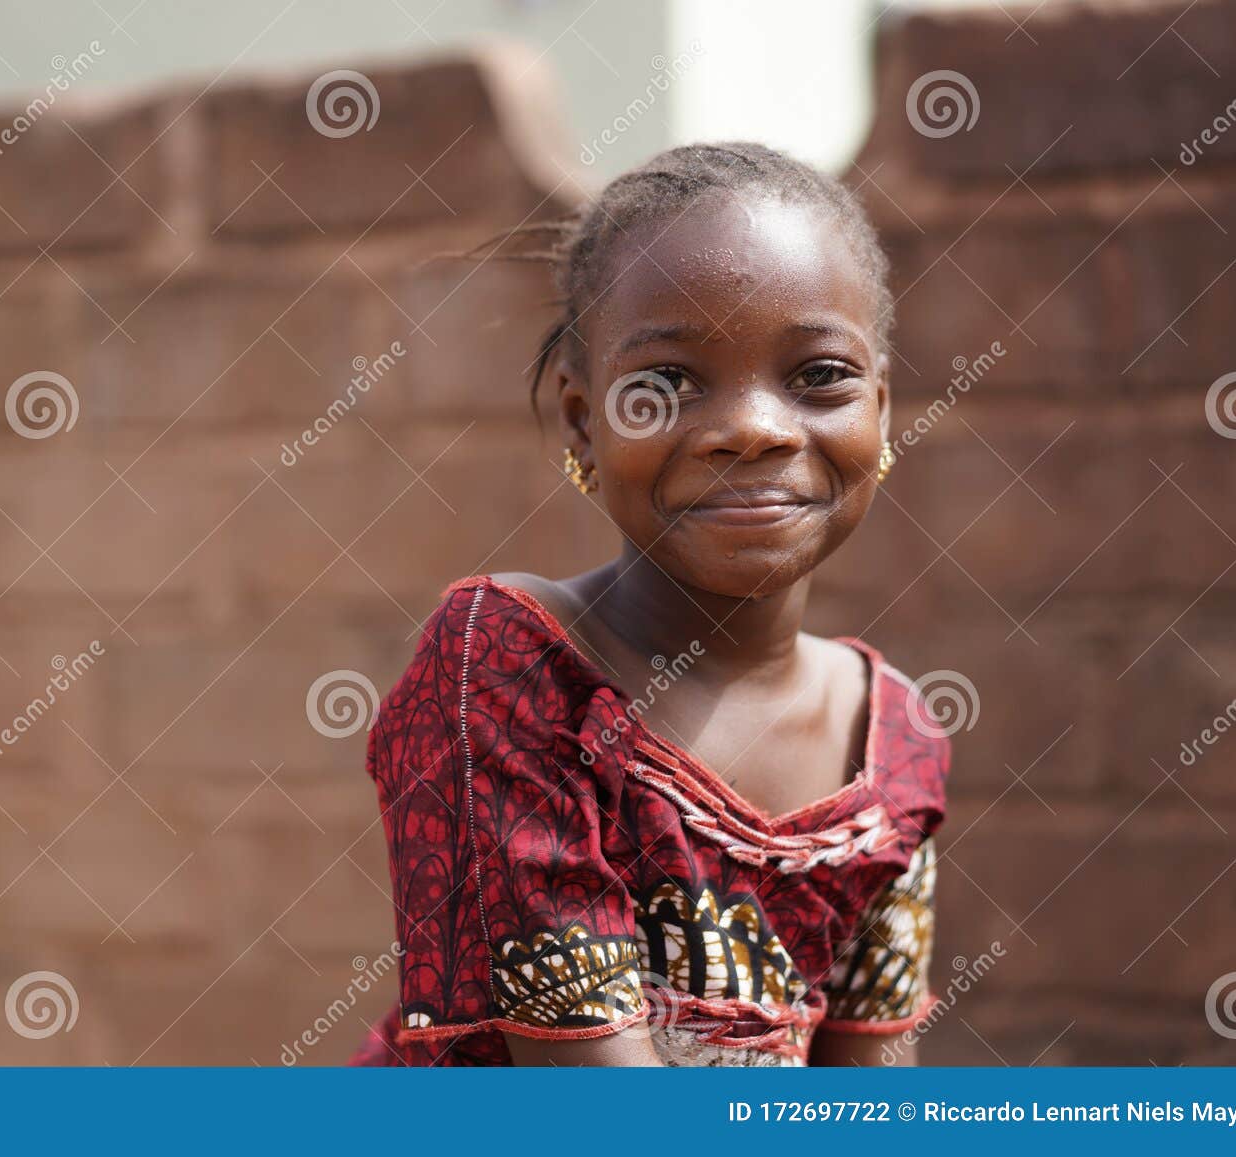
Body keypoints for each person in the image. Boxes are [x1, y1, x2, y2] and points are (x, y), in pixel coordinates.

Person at [350, 142, 950, 1066]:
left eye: (819, 375)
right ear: (585, 423)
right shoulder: (511, 670)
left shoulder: (897, 736)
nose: (751, 428)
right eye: (665, 382)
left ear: (881, 409)